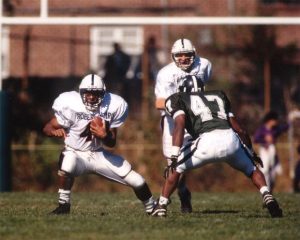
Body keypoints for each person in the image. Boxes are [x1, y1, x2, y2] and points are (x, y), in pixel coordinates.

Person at [151, 75, 283, 218]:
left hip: (205, 141)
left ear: (183, 89)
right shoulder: (218, 96)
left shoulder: (178, 98)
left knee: (175, 168)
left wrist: (174, 154)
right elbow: (240, 130)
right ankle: (266, 194)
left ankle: (162, 205)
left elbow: (180, 124)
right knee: (252, 169)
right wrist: (251, 153)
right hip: (230, 139)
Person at [43, 74, 155, 215]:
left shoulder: (113, 105)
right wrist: (54, 131)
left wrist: (104, 135)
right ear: (81, 93)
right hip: (75, 153)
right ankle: (64, 205)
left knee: (137, 180)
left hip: (98, 154)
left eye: (95, 93)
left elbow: (111, 143)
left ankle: (152, 207)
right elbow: (47, 127)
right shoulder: (70, 104)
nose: (91, 97)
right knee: (68, 162)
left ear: (103, 93)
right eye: (87, 93)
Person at [154, 38, 212, 213]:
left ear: (194, 54)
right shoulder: (165, 73)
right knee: (173, 163)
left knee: (183, 162)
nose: (184, 58)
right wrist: (180, 106)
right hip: (173, 121)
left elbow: (202, 88)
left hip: (195, 119)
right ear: (173, 56)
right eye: (179, 55)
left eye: (187, 54)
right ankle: (183, 191)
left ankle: (166, 200)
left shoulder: (205, 65)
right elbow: (159, 103)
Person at [254, 111, 289, 193]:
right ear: (270, 120)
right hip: (264, 150)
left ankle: (271, 188)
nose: (276, 122)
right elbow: (256, 139)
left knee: (272, 172)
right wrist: (265, 140)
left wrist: (289, 118)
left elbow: (286, 127)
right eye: (275, 120)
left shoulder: (275, 129)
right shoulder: (262, 129)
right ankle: (266, 190)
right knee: (264, 170)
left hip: (272, 151)